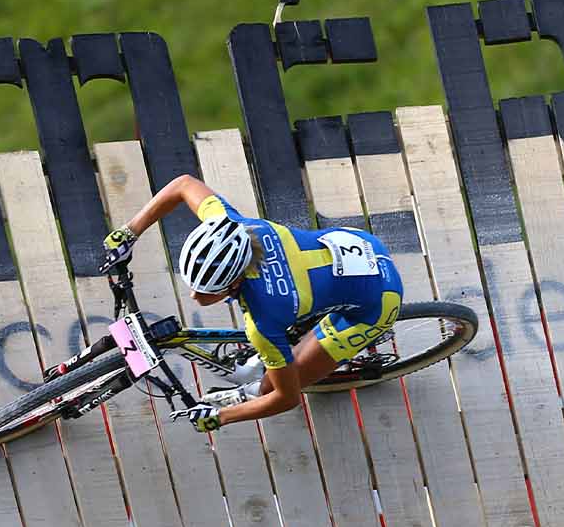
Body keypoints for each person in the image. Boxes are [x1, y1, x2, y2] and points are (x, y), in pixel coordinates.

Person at [100, 173, 403, 432]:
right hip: (358, 245)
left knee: (277, 382)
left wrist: (222, 416)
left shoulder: (264, 318)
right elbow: (183, 184)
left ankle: (249, 390)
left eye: (208, 291)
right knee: (286, 342)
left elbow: (287, 399)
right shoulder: (230, 225)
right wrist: (130, 231)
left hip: (377, 300)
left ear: (235, 282)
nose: (195, 297)